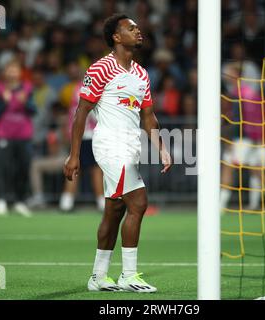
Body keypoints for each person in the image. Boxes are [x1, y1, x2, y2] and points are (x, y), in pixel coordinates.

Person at [63, 14, 172, 293]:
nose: (138, 31)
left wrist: (161, 147)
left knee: (114, 211)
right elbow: (81, 112)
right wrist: (74, 155)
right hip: (109, 145)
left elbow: (148, 117)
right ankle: (129, 275)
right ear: (115, 36)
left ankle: (98, 277)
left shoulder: (141, 74)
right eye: (131, 28)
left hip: (131, 147)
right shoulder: (101, 68)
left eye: (138, 27)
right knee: (139, 202)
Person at [220, 63, 265, 212]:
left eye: (228, 72)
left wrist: (234, 138)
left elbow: (244, 119)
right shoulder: (242, 92)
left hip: (243, 138)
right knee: (256, 170)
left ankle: (220, 204)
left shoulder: (242, 94)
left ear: (236, 74)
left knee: (228, 166)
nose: (225, 75)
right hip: (248, 138)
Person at [0, 59, 36, 217]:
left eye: (15, 69)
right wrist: (3, 102)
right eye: (9, 69)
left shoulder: (27, 88)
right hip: (4, 134)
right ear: (4, 73)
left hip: (24, 135)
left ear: (20, 72)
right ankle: (1, 201)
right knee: (2, 168)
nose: (12, 72)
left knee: (23, 168)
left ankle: (20, 202)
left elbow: (33, 111)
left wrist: (25, 103)